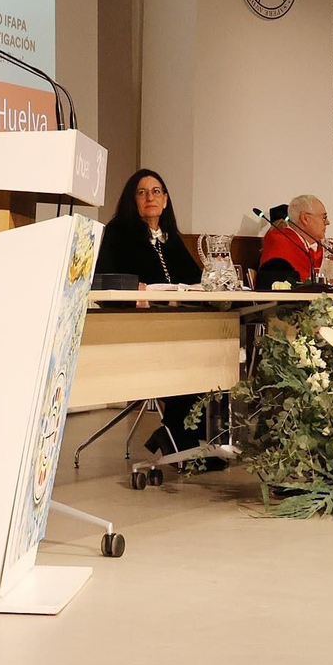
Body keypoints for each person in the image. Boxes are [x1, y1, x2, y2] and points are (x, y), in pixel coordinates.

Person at [95, 169, 206, 457]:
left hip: (176, 326)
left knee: (207, 352)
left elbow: (196, 279)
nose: (150, 197)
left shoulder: (169, 238)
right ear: (133, 200)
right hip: (137, 328)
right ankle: (178, 438)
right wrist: (135, 290)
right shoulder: (117, 232)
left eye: (157, 191)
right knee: (187, 355)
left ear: (166, 200)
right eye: (142, 192)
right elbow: (104, 278)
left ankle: (186, 439)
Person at [255, 195, 329, 288]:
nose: (327, 222)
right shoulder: (281, 242)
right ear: (305, 218)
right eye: (324, 217)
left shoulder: (320, 247)